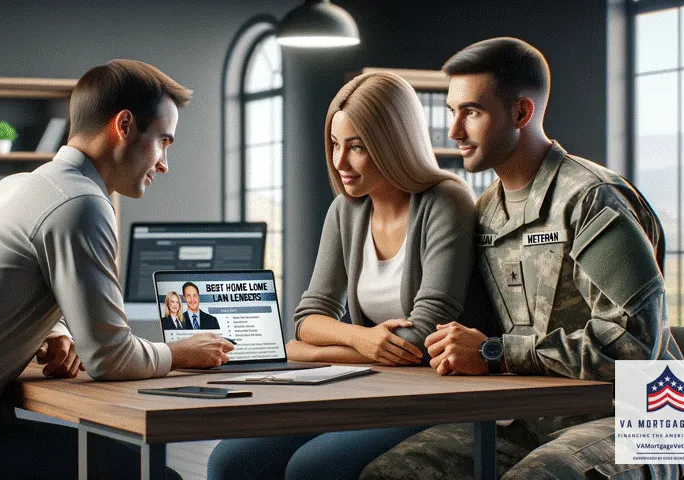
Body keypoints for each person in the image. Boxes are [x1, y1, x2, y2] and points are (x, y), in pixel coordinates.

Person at [360, 37, 684, 480]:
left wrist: (495, 351)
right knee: (392, 473)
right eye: (452, 111)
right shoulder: (486, 211)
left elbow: (634, 347)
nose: (454, 131)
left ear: (520, 113)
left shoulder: (592, 200)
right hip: (533, 416)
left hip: (646, 415)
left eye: (471, 112)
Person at [0, 59, 234, 479]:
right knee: (153, 474)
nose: (164, 164)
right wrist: (181, 353)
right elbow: (110, 359)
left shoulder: (22, 186)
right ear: (124, 125)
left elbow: (18, 287)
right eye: (163, 142)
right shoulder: (80, 203)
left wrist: (56, 332)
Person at [208, 72, 491, 480]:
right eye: (336, 145)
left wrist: (314, 352)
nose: (340, 162)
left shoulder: (446, 200)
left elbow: (422, 339)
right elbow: (308, 318)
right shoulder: (347, 211)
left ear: (393, 144)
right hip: (369, 386)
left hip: (434, 392)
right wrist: (361, 338)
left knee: (314, 468)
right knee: (230, 462)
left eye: (356, 147)